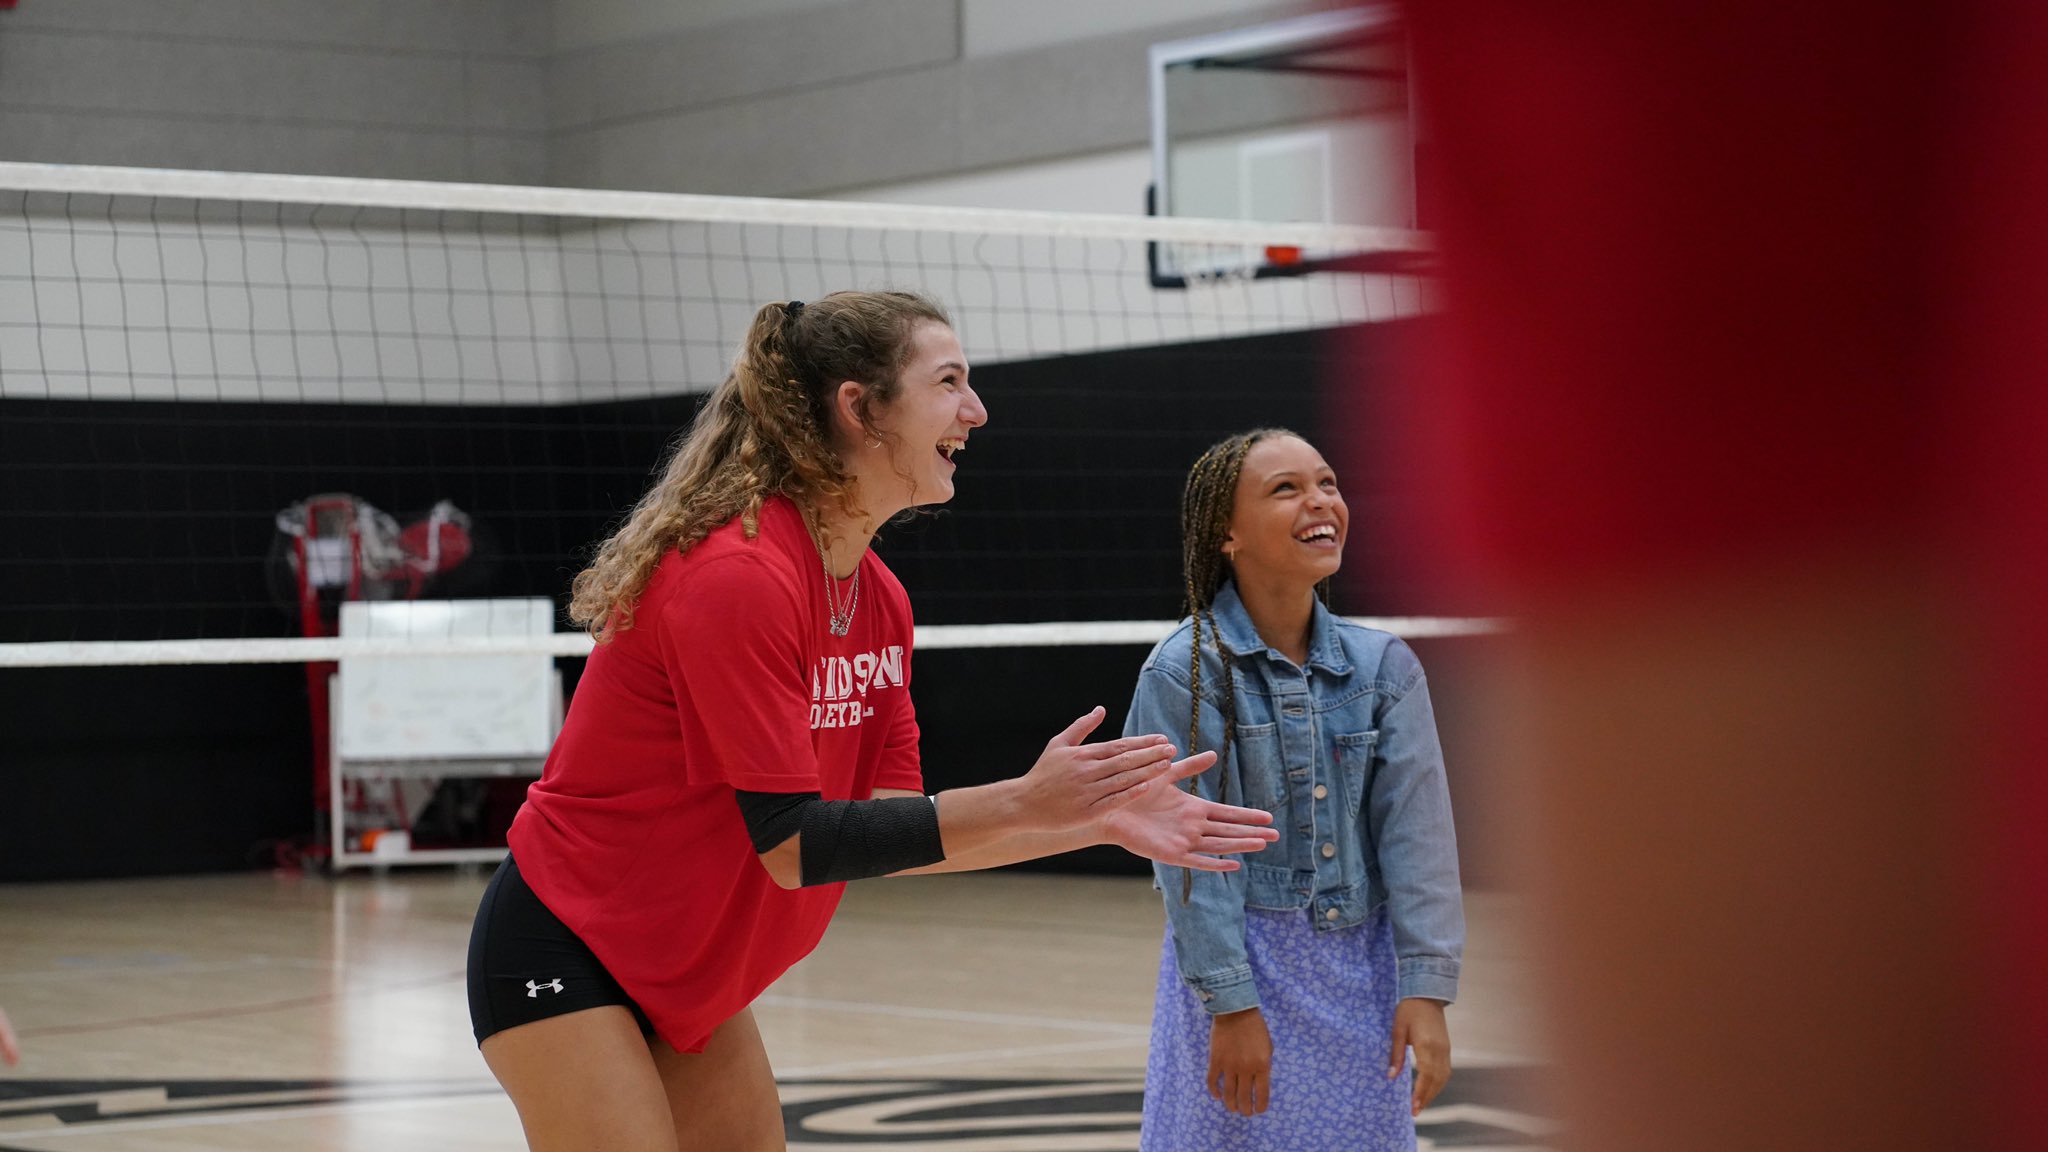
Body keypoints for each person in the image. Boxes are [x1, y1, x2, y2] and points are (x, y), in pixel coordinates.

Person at [465, 290, 1279, 1152]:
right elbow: (793, 845)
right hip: (571, 940)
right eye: (950, 381)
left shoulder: (878, 600)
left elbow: (887, 837)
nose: (977, 410)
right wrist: (1029, 799)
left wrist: (1091, 821)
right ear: (859, 408)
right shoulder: (736, 578)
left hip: (687, 966)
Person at [1127, 428, 1465, 1151]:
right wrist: (1231, 1003)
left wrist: (1426, 989)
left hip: (1361, 973)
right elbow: (1186, 857)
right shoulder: (1182, 672)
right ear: (1227, 533)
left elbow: (1420, 840)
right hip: (1243, 966)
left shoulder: (1385, 669)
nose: (1320, 501)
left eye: (1328, 483)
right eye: (1285, 489)